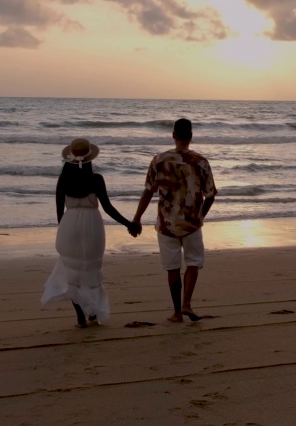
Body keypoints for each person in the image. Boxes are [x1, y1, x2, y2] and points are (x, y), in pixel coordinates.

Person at [42, 137, 141, 328]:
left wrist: (64, 231)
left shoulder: (63, 179)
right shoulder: (96, 179)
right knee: (91, 270)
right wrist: (129, 224)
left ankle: (80, 316)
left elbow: (58, 211)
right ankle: (93, 314)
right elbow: (108, 208)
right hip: (92, 226)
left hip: (69, 225)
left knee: (72, 271)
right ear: (90, 159)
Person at [132, 117, 216, 323]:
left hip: (166, 223)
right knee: (193, 263)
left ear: (173, 135)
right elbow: (211, 194)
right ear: (191, 136)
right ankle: (187, 303)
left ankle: (177, 313)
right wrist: (200, 216)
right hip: (191, 224)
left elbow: (148, 192)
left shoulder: (159, 160)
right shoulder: (201, 161)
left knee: (172, 268)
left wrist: (137, 218)